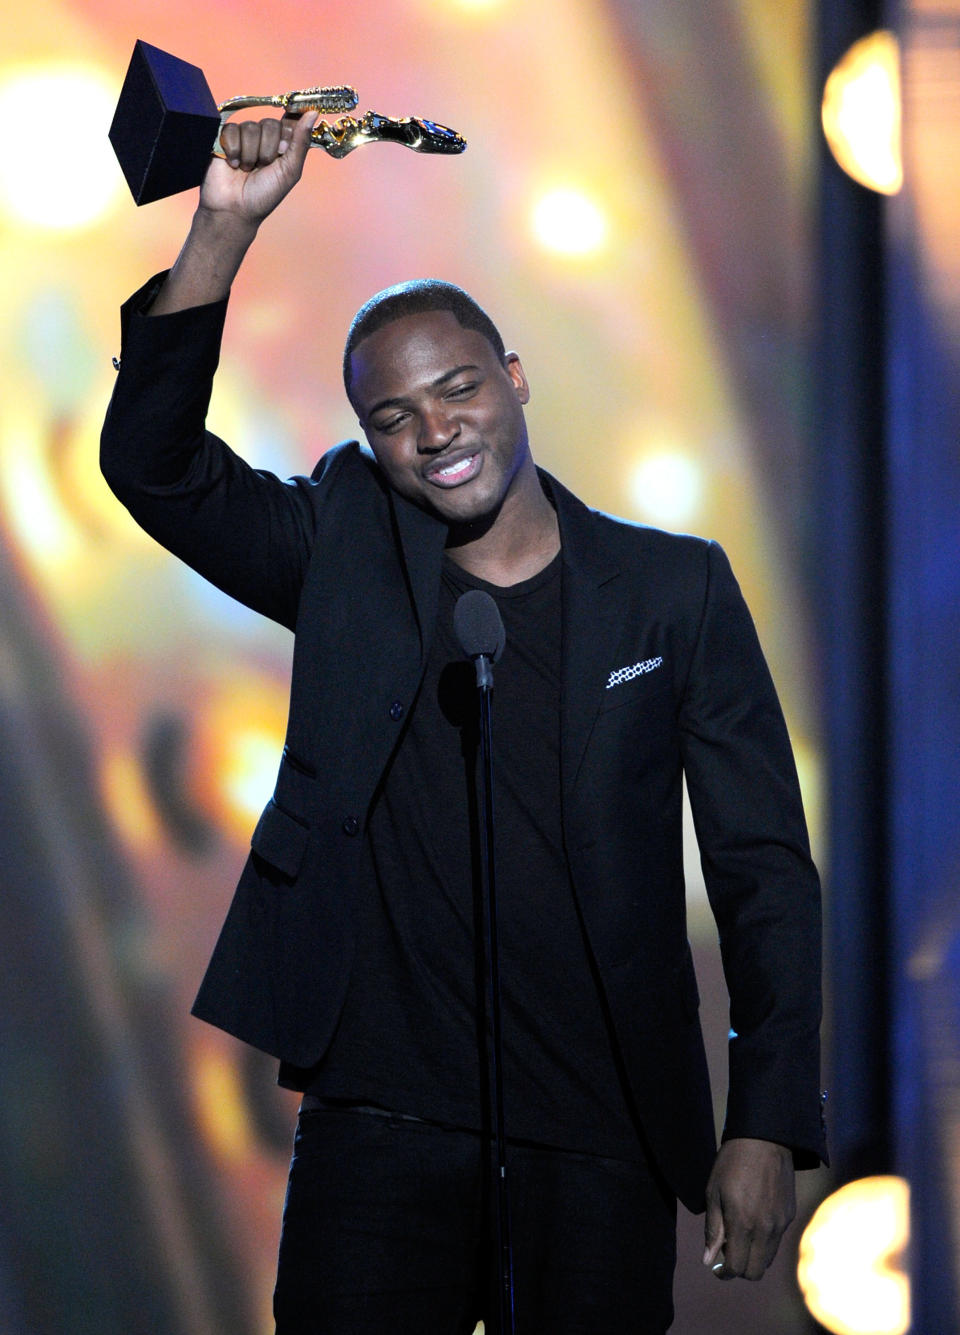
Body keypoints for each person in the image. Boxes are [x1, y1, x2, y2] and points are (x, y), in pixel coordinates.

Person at [101, 111, 827, 1334]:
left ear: (515, 380)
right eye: (394, 418)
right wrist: (223, 225)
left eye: (458, 388)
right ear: (370, 442)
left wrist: (763, 1115)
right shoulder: (343, 548)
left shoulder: (671, 588)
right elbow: (156, 469)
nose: (435, 431)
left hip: (600, 1134)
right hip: (381, 1131)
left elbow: (762, 870)